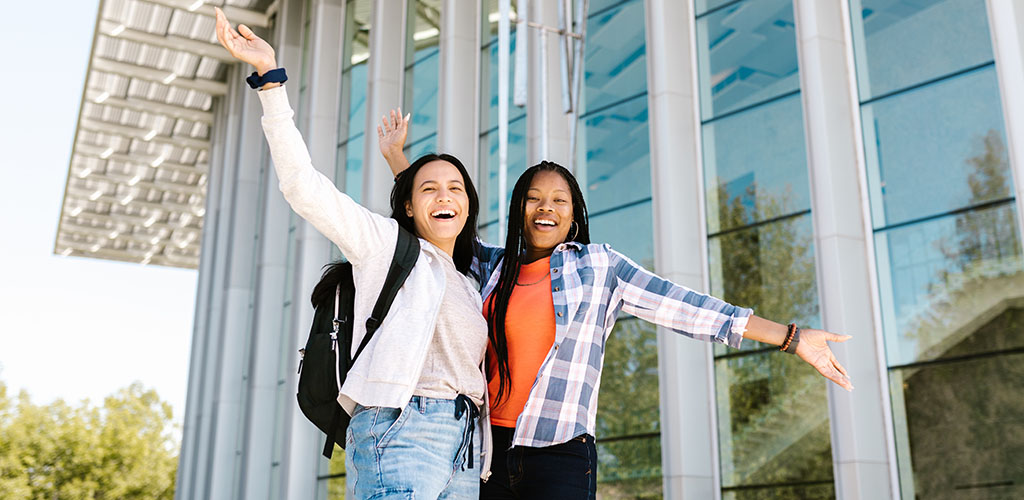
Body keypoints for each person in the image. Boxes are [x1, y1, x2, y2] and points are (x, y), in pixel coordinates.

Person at [377, 112, 853, 500]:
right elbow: (440, 218)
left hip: (562, 453)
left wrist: (792, 338)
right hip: (485, 453)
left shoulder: (600, 268)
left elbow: (687, 308)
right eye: (533, 199)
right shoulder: (490, 268)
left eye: (559, 200)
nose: (546, 208)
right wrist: (399, 160)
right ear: (518, 209)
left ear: (574, 212)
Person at [214, 8, 493, 499]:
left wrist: (401, 162)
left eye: (456, 188)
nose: (445, 196)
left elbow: (433, 219)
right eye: (430, 189)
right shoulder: (385, 245)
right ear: (407, 204)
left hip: (465, 446)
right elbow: (304, 187)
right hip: (403, 430)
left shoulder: (468, 279)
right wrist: (270, 81)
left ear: (469, 204)